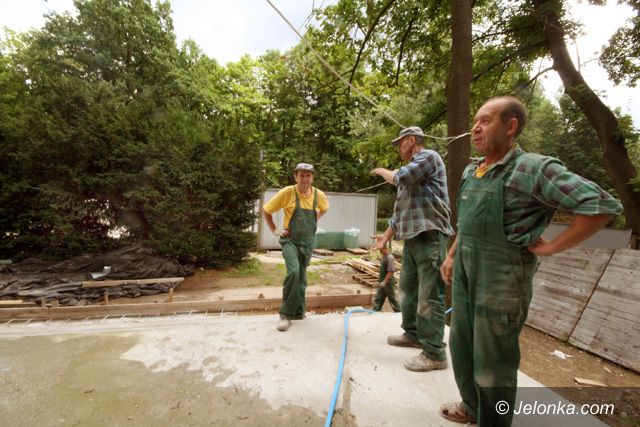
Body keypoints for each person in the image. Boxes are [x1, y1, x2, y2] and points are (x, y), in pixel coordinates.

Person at [438, 96, 623, 426]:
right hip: (465, 273)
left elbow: (601, 206)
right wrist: (452, 256)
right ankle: (472, 406)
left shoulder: (533, 169)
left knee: (493, 361)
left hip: (502, 283)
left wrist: (553, 248)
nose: (475, 128)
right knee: (462, 345)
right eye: (474, 122)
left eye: (485, 121)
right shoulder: (472, 171)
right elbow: (466, 223)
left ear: (511, 126)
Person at [371, 126, 455, 372]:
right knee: (407, 290)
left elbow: (401, 177)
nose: (398, 148)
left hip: (430, 237)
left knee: (429, 295)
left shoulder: (428, 158)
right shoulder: (410, 173)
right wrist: (386, 236)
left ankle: (435, 353)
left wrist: (383, 171)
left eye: (400, 143)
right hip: (412, 240)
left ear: (411, 140)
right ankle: (413, 334)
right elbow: (399, 214)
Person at [263, 163, 329, 332]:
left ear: (312, 177)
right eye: (301, 175)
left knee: (301, 276)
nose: (305, 178)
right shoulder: (288, 192)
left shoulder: (318, 195)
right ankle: (285, 314)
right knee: (294, 272)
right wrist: (275, 230)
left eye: (308, 175)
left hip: (307, 242)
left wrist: (314, 219)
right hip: (290, 241)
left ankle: (299, 312)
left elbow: (324, 209)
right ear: (295, 177)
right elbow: (266, 210)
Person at [372, 245, 401, 312]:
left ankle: (399, 313)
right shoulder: (384, 257)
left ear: (385, 249)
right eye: (380, 250)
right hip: (382, 283)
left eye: (381, 250)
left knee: (393, 299)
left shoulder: (390, 257)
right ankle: (374, 312)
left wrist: (384, 282)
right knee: (378, 298)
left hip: (388, 283)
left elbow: (391, 271)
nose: (380, 251)